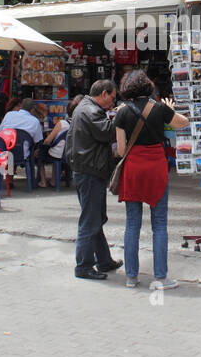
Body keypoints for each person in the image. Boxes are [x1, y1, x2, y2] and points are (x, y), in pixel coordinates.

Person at [114, 69, 188, 290]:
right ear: (148, 86)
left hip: (134, 168)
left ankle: (131, 277)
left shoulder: (122, 112)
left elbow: (120, 150)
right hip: (156, 166)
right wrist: (171, 110)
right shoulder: (159, 107)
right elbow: (182, 123)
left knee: (132, 224)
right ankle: (161, 278)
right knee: (159, 224)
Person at [64, 79, 122, 280]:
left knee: (95, 217)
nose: (112, 103)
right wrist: (121, 116)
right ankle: (84, 266)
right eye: (112, 98)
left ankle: (104, 260)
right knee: (90, 220)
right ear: (104, 94)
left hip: (87, 170)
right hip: (89, 171)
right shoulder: (91, 111)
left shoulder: (85, 109)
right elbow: (108, 132)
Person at [38, 97, 77, 187]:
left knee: (40, 154)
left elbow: (48, 140)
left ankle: (43, 181)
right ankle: (53, 180)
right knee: (58, 153)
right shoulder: (81, 123)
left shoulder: (62, 123)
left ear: (67, 111)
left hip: (59, 154)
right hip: (73, 154)